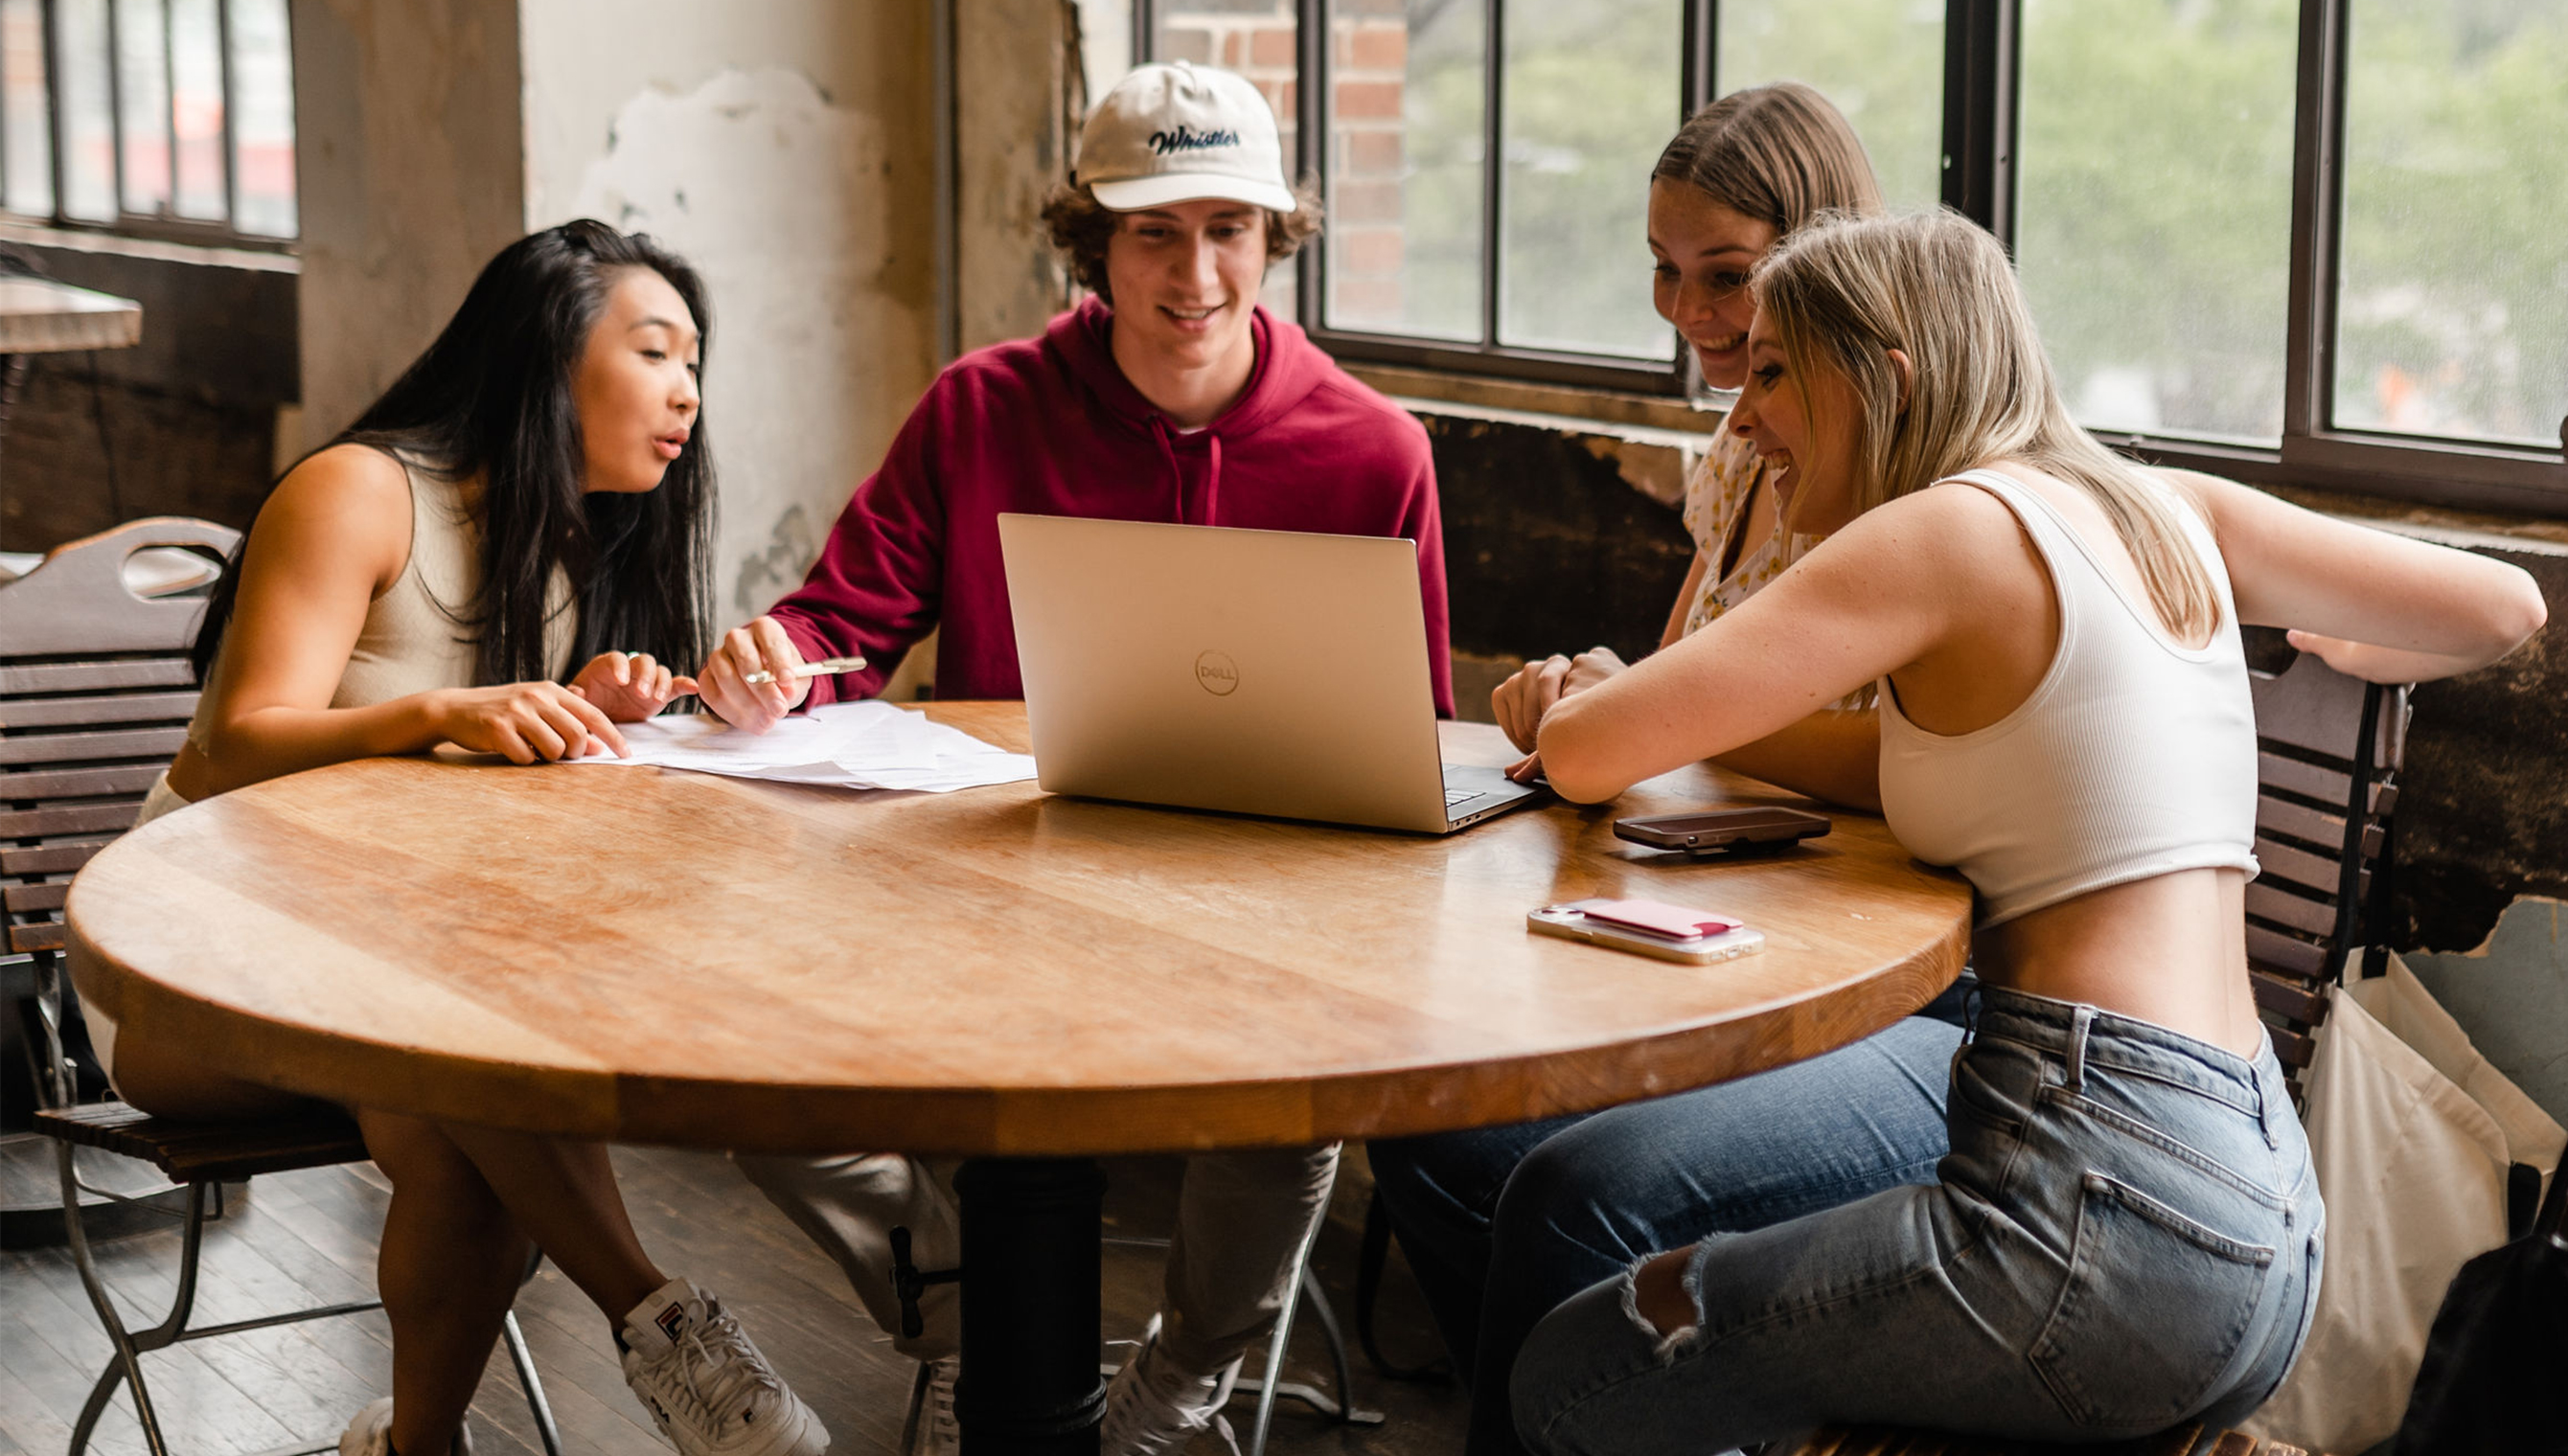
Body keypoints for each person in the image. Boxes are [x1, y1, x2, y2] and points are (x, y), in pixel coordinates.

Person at [1504, 209, 2544, 1445]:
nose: (1743, 416)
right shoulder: (2167, 510)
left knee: (1577, 1371)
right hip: (2260, 1200)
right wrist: (2339, 641)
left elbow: (1578, 755)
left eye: (1775, 370)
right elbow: (2505, 607)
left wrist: (1602, 703)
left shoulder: (1940, 530)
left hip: (2094, 1204)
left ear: (1884, 376)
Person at [692, 61, 1449, 1452]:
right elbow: (838, 624)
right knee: (723, 1047)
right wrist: (774, 663)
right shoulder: (981, 409)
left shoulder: (1375, 452)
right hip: (1002, 905)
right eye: (1156, 231)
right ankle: (959, 1300)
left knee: (1301, 1102)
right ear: (1091, 240)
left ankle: (1179, 1389)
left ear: (1275, 240)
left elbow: (1415, 737)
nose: (1197, 272)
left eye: (1229, 229)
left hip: (1265, 928)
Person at [80, 221, 829, 1456]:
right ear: (548, 357)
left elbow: (465, 813)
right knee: (466, 1055)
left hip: (398, 975)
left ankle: (413, 1448)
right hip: (186, 968)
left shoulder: (568, 541)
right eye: (656, 351)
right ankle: (668, 1331)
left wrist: (584, 705)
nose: (689, 391)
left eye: (699, 362)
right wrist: (445, 710)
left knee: (451, 1093)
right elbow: (231, 749)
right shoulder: (361, 492)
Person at [1364, 83, 1968, 1455]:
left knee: (1561, 1185)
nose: (1690, 313)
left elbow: (1879, 758)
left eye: (1728, 279)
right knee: (1432, 1136)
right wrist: (1602, 691)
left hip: (1881, 965)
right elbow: (1694, 663)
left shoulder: (1912, 488)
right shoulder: (1744, 457)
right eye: (1665, 272)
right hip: (1736, 908)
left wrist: (1653, 717)